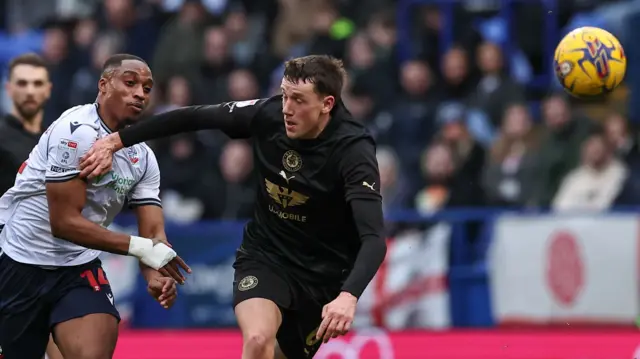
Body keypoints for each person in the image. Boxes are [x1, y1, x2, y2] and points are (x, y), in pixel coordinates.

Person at [80, 55, 387, 359]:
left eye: (298, 100)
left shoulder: (354, 150)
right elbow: (193, 117)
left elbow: (373, 238)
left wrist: (348, 295)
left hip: (323, 277)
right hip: (267, 257)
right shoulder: (267, 114)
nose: (286, 109)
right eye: (284, 95)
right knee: (256, 339)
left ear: (327, 104)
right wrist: (116, 141)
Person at [0, 54, 190, 359]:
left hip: (77, 268)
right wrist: (141, 248)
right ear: (103, 85)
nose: (140, 93)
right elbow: (62, 223)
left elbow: (153, 233)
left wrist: (156, 275)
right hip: (19, 262)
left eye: (147, 87)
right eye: (130, 83)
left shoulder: (143, 158)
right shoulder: (75, 131)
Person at [0, 54, 52, 195]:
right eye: (22, 83)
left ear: (48, 89)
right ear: (9, 88)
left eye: (38, 83)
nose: (30, 91)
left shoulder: (55, 141)